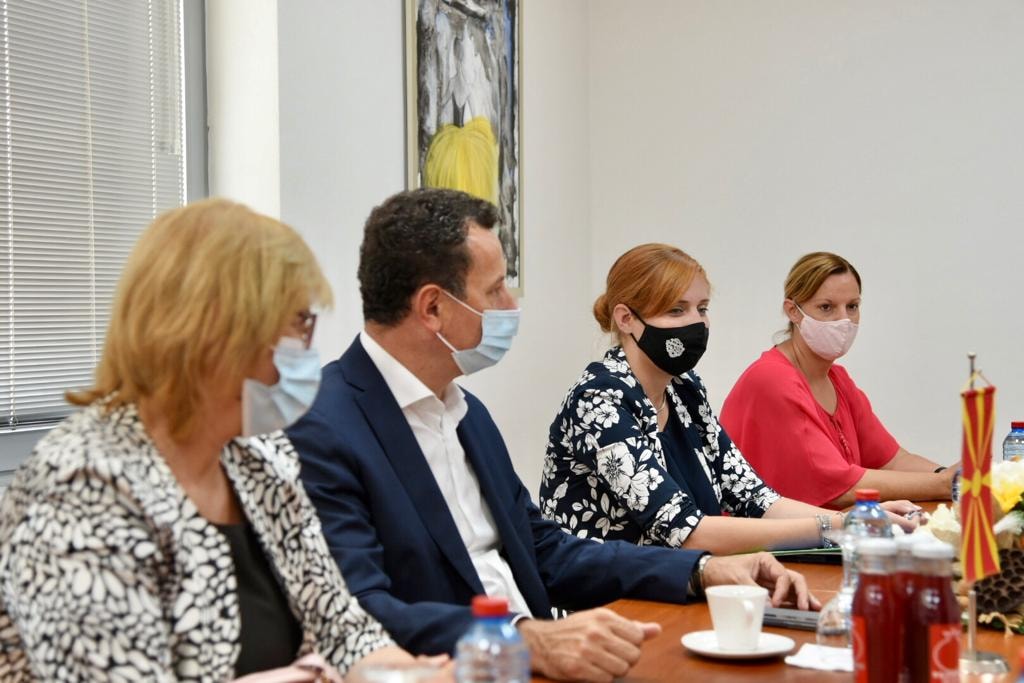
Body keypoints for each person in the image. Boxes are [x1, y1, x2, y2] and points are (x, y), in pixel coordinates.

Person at [286, 188, 819, 683]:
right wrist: (524, 640)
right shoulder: (323, 427)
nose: (511, 306)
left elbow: (546, 551)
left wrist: (702, 570)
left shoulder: (467, 414)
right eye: (496, 289)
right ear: (432, 308)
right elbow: (358, 609)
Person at [0, 199, 427, 681]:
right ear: (220, 330)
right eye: (300, 323)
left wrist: (418, 674)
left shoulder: (259, 456)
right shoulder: (81, 487)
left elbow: (343, 631)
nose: (310, 347)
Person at [539, 244, 917, 557]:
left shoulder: (684, 389)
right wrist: (835, 526)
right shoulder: (599, 400)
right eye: (676, 310)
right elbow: (686, 532)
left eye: (702, 308)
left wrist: (856, 519)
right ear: (626, 319)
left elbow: (753, 496)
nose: (697, 322)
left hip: (680, 585)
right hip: (608, 605)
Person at [720, 251, 957, 508]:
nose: (844, 320)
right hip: (769, 533)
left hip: (829, 526)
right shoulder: (771, 379)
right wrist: (946, 484)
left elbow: (891, 460)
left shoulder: (837, 379)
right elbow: (839, 486)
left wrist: (951, 475)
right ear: (793, 311)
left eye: (852, 306)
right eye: (826, 307)